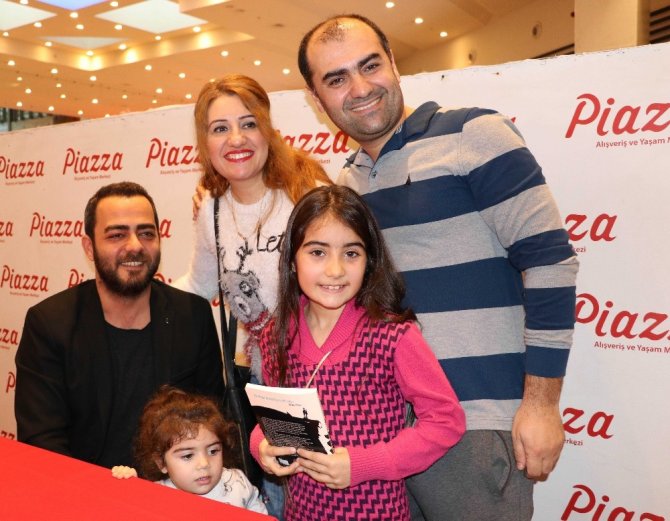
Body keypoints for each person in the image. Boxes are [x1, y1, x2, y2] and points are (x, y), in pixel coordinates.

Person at [297, 14, 579, 520]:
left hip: (476, 424)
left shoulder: (474, 134)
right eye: (336, 79)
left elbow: (550, 262)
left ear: (393, 63)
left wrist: (541, 403)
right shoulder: (348, 184)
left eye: (370, 66)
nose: (360, 88)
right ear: (317, 100)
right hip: (384, 432)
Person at [250, 185, 466, 521]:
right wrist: (261, 445)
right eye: (317, 252)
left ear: (369, 262)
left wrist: (364, 464)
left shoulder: (393, 336)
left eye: (351, 253)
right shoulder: (276, 335)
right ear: (292, 259)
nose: (335, 270)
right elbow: (273, 420)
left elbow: (446, 421)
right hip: (301, 513)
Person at [174, 74, 331, 519]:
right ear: (205, 142)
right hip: (269, 381)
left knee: (333, 494)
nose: (236, 139)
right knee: (286, 498)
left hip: (328, 372)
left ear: (267, 128)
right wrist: (134, 297)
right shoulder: (212, 208)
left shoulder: (306, 193)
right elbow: (200, 285)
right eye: (219, 128)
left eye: (248, 123)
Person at [14, 181, 224, 469]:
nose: (135, 246)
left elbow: (214, 421)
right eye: (117, 235)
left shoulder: (193, 315)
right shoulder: (50, 324)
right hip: (85, 489)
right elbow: (42, 444)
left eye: (146, 233)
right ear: (89, 247)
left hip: (172, 490)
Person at [111, 386, 267, 514]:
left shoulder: (237, 482)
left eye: (213, 451)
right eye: (187, 456)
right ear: (161, 463)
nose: (204, 464)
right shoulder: (155, 495)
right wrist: (131, 487)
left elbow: (257, 510)